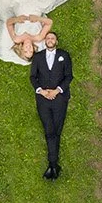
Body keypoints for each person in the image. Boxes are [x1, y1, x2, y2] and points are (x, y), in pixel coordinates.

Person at [29, 31, 72, 179]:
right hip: (43, 99)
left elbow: (69, 76)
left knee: (57, 130)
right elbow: (33, 77)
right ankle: (53, 165)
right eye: (48, 38)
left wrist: (57, 90)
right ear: (45, 41)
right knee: (49, 130)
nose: (50, 39)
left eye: (52, 38)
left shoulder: (64, 55)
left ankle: (53, 165)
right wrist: (41, 91)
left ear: (56, 41)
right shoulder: (38, 57)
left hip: (59, 98)